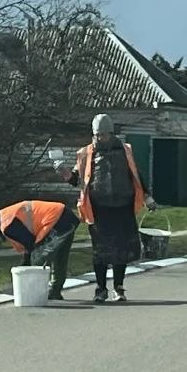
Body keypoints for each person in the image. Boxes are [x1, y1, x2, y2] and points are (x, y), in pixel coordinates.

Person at [65, 113, 157, 303]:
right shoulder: (86, 153)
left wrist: (147, 197)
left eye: (104, 134)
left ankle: (119, 288)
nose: (101, 138)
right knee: (100, 250)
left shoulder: (125, 151)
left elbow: (136, 176)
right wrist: (64, 172)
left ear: (111, 133)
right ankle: (100, 289)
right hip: (99, 208)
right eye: (98, 134)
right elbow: (75, 180)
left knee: (121, 249)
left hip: (123, 207)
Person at [0, 199, 79, 301]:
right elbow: (29, 240)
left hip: (56, 220)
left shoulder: (7, 225)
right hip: (66, 217)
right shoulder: (7, 215)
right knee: (60, 257)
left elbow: (30, 243)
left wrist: (27, 264)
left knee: (38, 259)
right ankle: (55, 291)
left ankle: (34, 294)